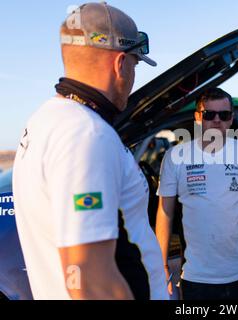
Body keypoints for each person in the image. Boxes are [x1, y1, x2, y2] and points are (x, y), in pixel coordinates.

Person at [12, 2, 168, 300]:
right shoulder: (87, 133)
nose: (134, 76)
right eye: (135, 64)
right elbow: (90, 279)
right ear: (120, 63)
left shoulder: (43, 120)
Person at [155, 88, 238, 300]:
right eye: (210, 114)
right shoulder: (176, 156)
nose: (217, 121)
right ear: (198, 117)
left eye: (224, 115)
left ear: (231, 118)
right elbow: (165, 212)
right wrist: (160, 264)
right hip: (197, 276)